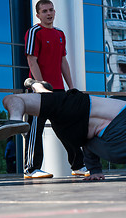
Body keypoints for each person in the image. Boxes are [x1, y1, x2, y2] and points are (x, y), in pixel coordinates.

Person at [0, 81, 126, 180]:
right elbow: (89, 146)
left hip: (80, 104)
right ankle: (39, 87)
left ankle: (15, 117)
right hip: (75, 134)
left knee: (13, 99)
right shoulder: (120, 155)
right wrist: (95, 170)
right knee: (51, 106)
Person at [24, 0, 87, 178]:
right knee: (35, 129)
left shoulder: (60, 34)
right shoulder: (34, 32)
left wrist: (72, 87)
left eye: (51, 10)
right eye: (44, 11)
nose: (49, 13)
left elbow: (62, 61)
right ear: (38, 15)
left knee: (68, 127)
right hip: (39, 89)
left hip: (59, 90)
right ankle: (31, 169)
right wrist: (40, 84)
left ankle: (78, 165)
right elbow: (31, 59)